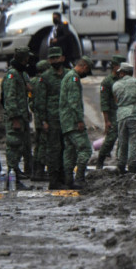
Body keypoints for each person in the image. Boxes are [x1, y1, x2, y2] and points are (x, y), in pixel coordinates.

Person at [36, 47, 69, 189]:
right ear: (49, 61)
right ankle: (54, 180)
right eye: (52, 58)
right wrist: (43, 121)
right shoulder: (46, 77)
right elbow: (40, 101)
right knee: (53, 150)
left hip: (66, 119)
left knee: (66, 149)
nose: (55, 61)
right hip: (52, 119)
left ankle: (64, 178)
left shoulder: (68, 74)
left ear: (62, 58)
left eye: (57, 58)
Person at [60, 56, 95, 188]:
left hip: (66, 122)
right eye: (87, 71)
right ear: (84, 67)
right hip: (73, 122)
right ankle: (79, 178)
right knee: (85, 149)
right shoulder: (73, 78)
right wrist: (79, 120)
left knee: (69, 151)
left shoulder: (67, 76)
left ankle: (68, 179)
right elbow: (74, 102)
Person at [1, 47, 33, 190]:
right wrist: (14, 118)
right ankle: (11, 176)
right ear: (23, 58)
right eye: (27, 58)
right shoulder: (12, 75)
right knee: (14, 146)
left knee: (22, 146)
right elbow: (10, 98)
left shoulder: (21, 74)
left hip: (22, 116)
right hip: (16, 118)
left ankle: (16, 173)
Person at [97, 55, 126, 170]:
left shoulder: (124, 79)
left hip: (124, 112)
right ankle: (100, 160)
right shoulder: (107, 82)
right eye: (119, 65)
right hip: (113, 113)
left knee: (124, 139)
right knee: (111, 138)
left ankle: (121, 163)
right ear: (114, 66)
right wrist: (106, 120)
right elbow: (104, 102)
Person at [30, 60, 51, 181]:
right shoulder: (44, 81)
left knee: (38, 145)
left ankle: (35, 170)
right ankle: (39, 172)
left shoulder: (32, 82)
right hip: (44, 118)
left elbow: (31, 103)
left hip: (37, 118)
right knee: (44, 145)